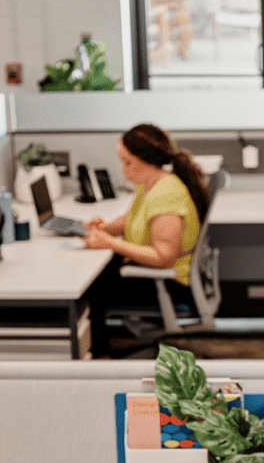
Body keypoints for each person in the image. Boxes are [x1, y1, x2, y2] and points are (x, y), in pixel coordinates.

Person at [83, 123, 208, 356]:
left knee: (91, 290)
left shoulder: (166, 194)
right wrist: (107, 228)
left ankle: (100, 359)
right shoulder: (149, 186)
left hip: (171, 285)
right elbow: (134, 218)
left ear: (146, 160)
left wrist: (109, 243)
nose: (123, 170)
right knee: (96, 275)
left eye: (127, 162)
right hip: (155, 275)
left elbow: (164, 257)